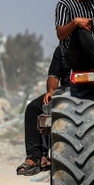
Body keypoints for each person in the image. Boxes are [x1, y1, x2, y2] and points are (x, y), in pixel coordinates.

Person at [17, 46, 71, 176]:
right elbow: (54, 76)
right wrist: (51, 92)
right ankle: (35, 157)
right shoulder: (63, 49)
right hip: (67, 90)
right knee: (34, 108)